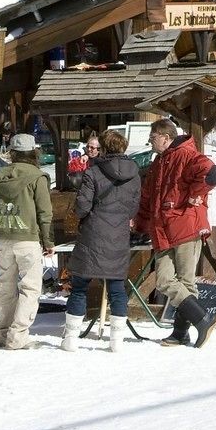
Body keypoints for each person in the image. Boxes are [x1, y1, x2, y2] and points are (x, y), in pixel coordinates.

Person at [134, 118, 216, 348]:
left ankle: (180, 333)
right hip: (163, 230)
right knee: (164, 280)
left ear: (165, 137)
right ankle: (203, 319)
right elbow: (147, 200)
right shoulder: (158, 163)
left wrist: (196, 192)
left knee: (185, 281)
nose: (150, 142)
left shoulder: (185, 154)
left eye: (153, 138)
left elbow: (210, 173)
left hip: (185, 226)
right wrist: (139, 226)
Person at [63, 129, 140, 353]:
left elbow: (82, 207)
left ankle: (71, 339)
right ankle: (116, 341)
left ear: (104, 148)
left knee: (79, 288)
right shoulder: (135, 174)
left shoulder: (93, 172)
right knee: (117, 288)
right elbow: (134, 207)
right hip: (118, 235)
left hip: (92, 234)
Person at [0, 133, 53, 350]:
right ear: (34, 151)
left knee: (4, 284)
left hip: (1, 235)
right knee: (30, 287)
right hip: (27, 237)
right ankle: (18, 335)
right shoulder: (37, 177)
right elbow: (45, 212)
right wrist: (48, 240)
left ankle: (0, 332)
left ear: (12, 153)